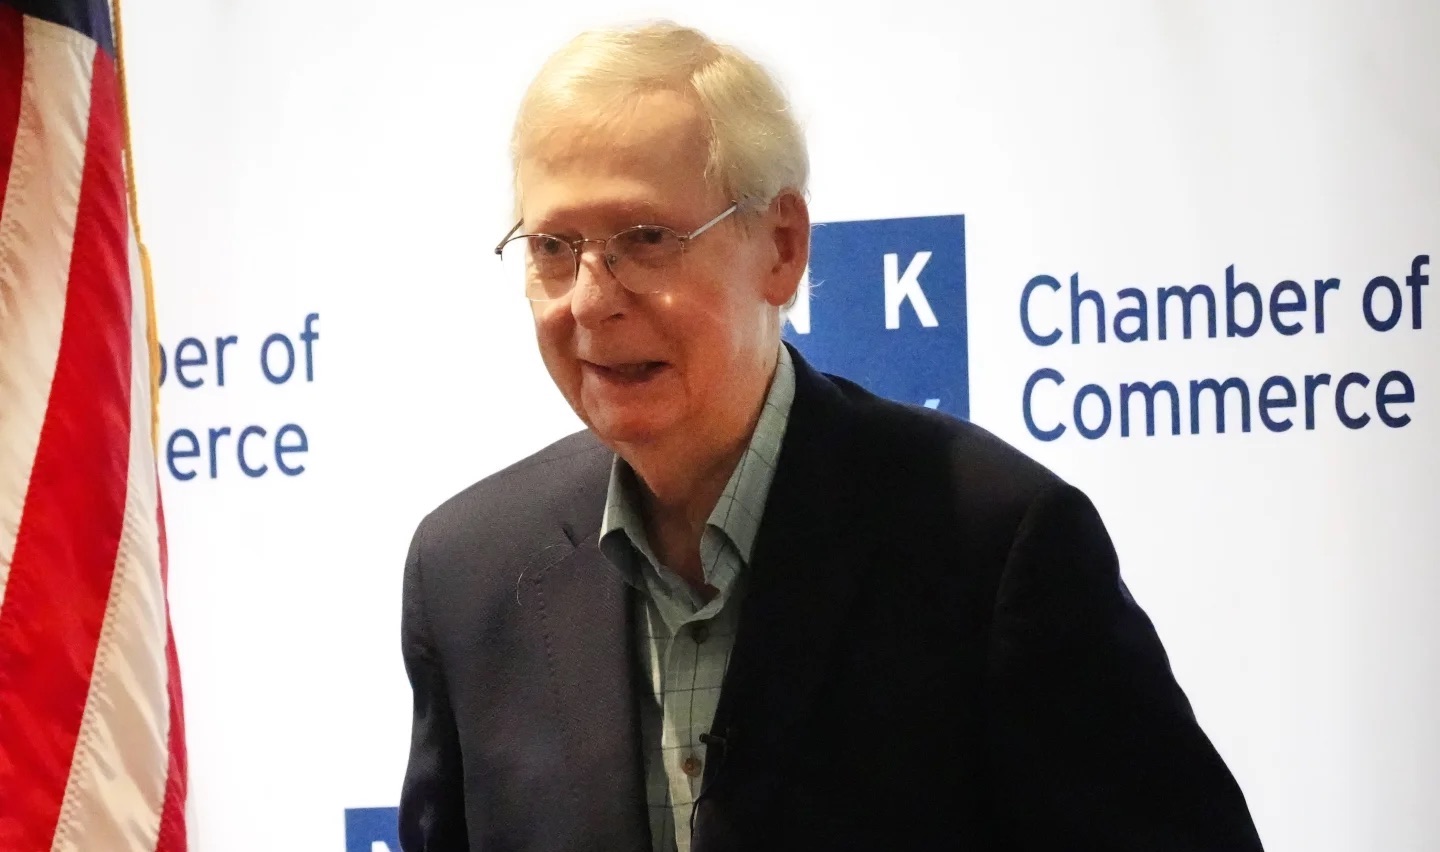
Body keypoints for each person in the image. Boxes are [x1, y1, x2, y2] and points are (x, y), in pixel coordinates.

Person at [398, 20, 1264, 852]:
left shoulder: (994, 543)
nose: (590, 299)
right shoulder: (469, 572)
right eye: (554, 246)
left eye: (644, 238)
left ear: (781, 246)